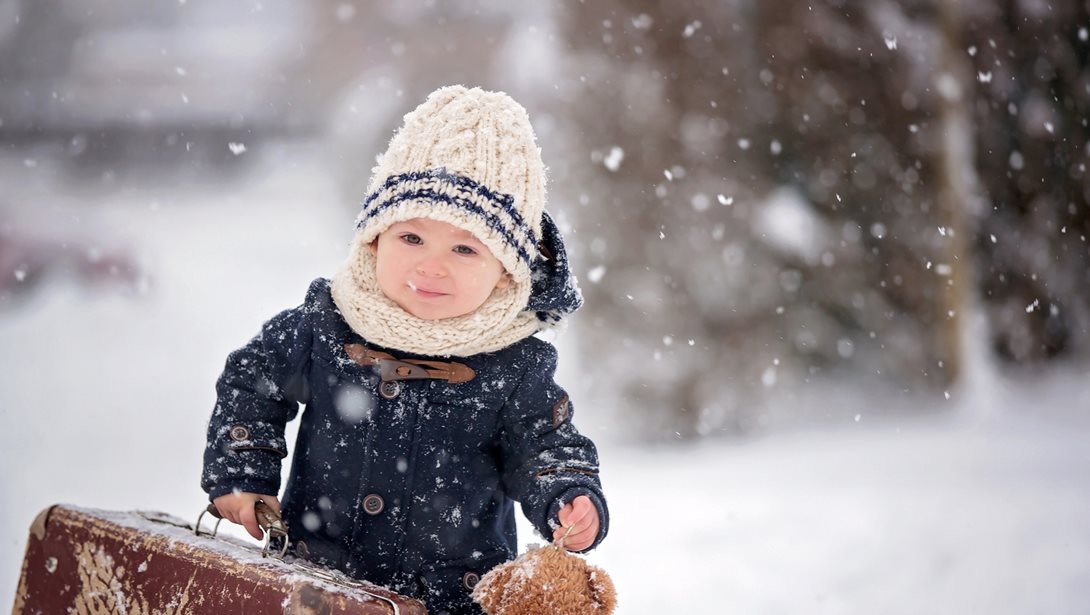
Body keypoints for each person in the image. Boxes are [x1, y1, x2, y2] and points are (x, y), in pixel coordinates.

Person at [201, 85, 608, 615]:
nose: (431, 266)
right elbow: (252, 379)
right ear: (374, 239)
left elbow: (544, 446)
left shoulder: (515, 365)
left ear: (507, 272)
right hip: (317, 585)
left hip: (449, 599)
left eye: (464, 248)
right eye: (411, 238)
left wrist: (568, 494)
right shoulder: (327, 324)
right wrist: (241, 471)